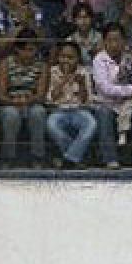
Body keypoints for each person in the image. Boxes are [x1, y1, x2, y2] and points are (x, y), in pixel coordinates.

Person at [92, 23, 132, 169]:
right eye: (110, 40)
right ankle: (110, 158)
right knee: (104, 113)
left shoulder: (131, 57)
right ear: (104, 42)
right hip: (107, 104)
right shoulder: (99, 60)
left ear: (124, 41)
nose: (114, 44)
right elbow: (106, 88)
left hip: (129, 103)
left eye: (118, 40)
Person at [0, 29, 49, 168]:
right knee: (11, 115)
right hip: (10, 102)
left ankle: (38, 156)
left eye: (33, 50)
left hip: (32, 102)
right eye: (26, 50)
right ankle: (8, 157)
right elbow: (1, 95)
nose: (29, 54)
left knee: (39, 113)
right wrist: (14, 102)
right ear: (17, 49)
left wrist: (27, 101)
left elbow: (41, 95)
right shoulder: (6, 64)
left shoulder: (42, 66)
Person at [45, 40, 97, 170]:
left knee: (91, 124)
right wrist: (62, 82)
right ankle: (76, 157)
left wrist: (81, 85)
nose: (66, 61)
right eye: (63, 57)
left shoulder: (84, 72)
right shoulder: (53, 72)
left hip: (79, 110)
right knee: (51, 125)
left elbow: (87, 101)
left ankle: (67, 158)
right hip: (59, 110)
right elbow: (50, 99)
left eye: (70, 57)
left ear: (78, 59)